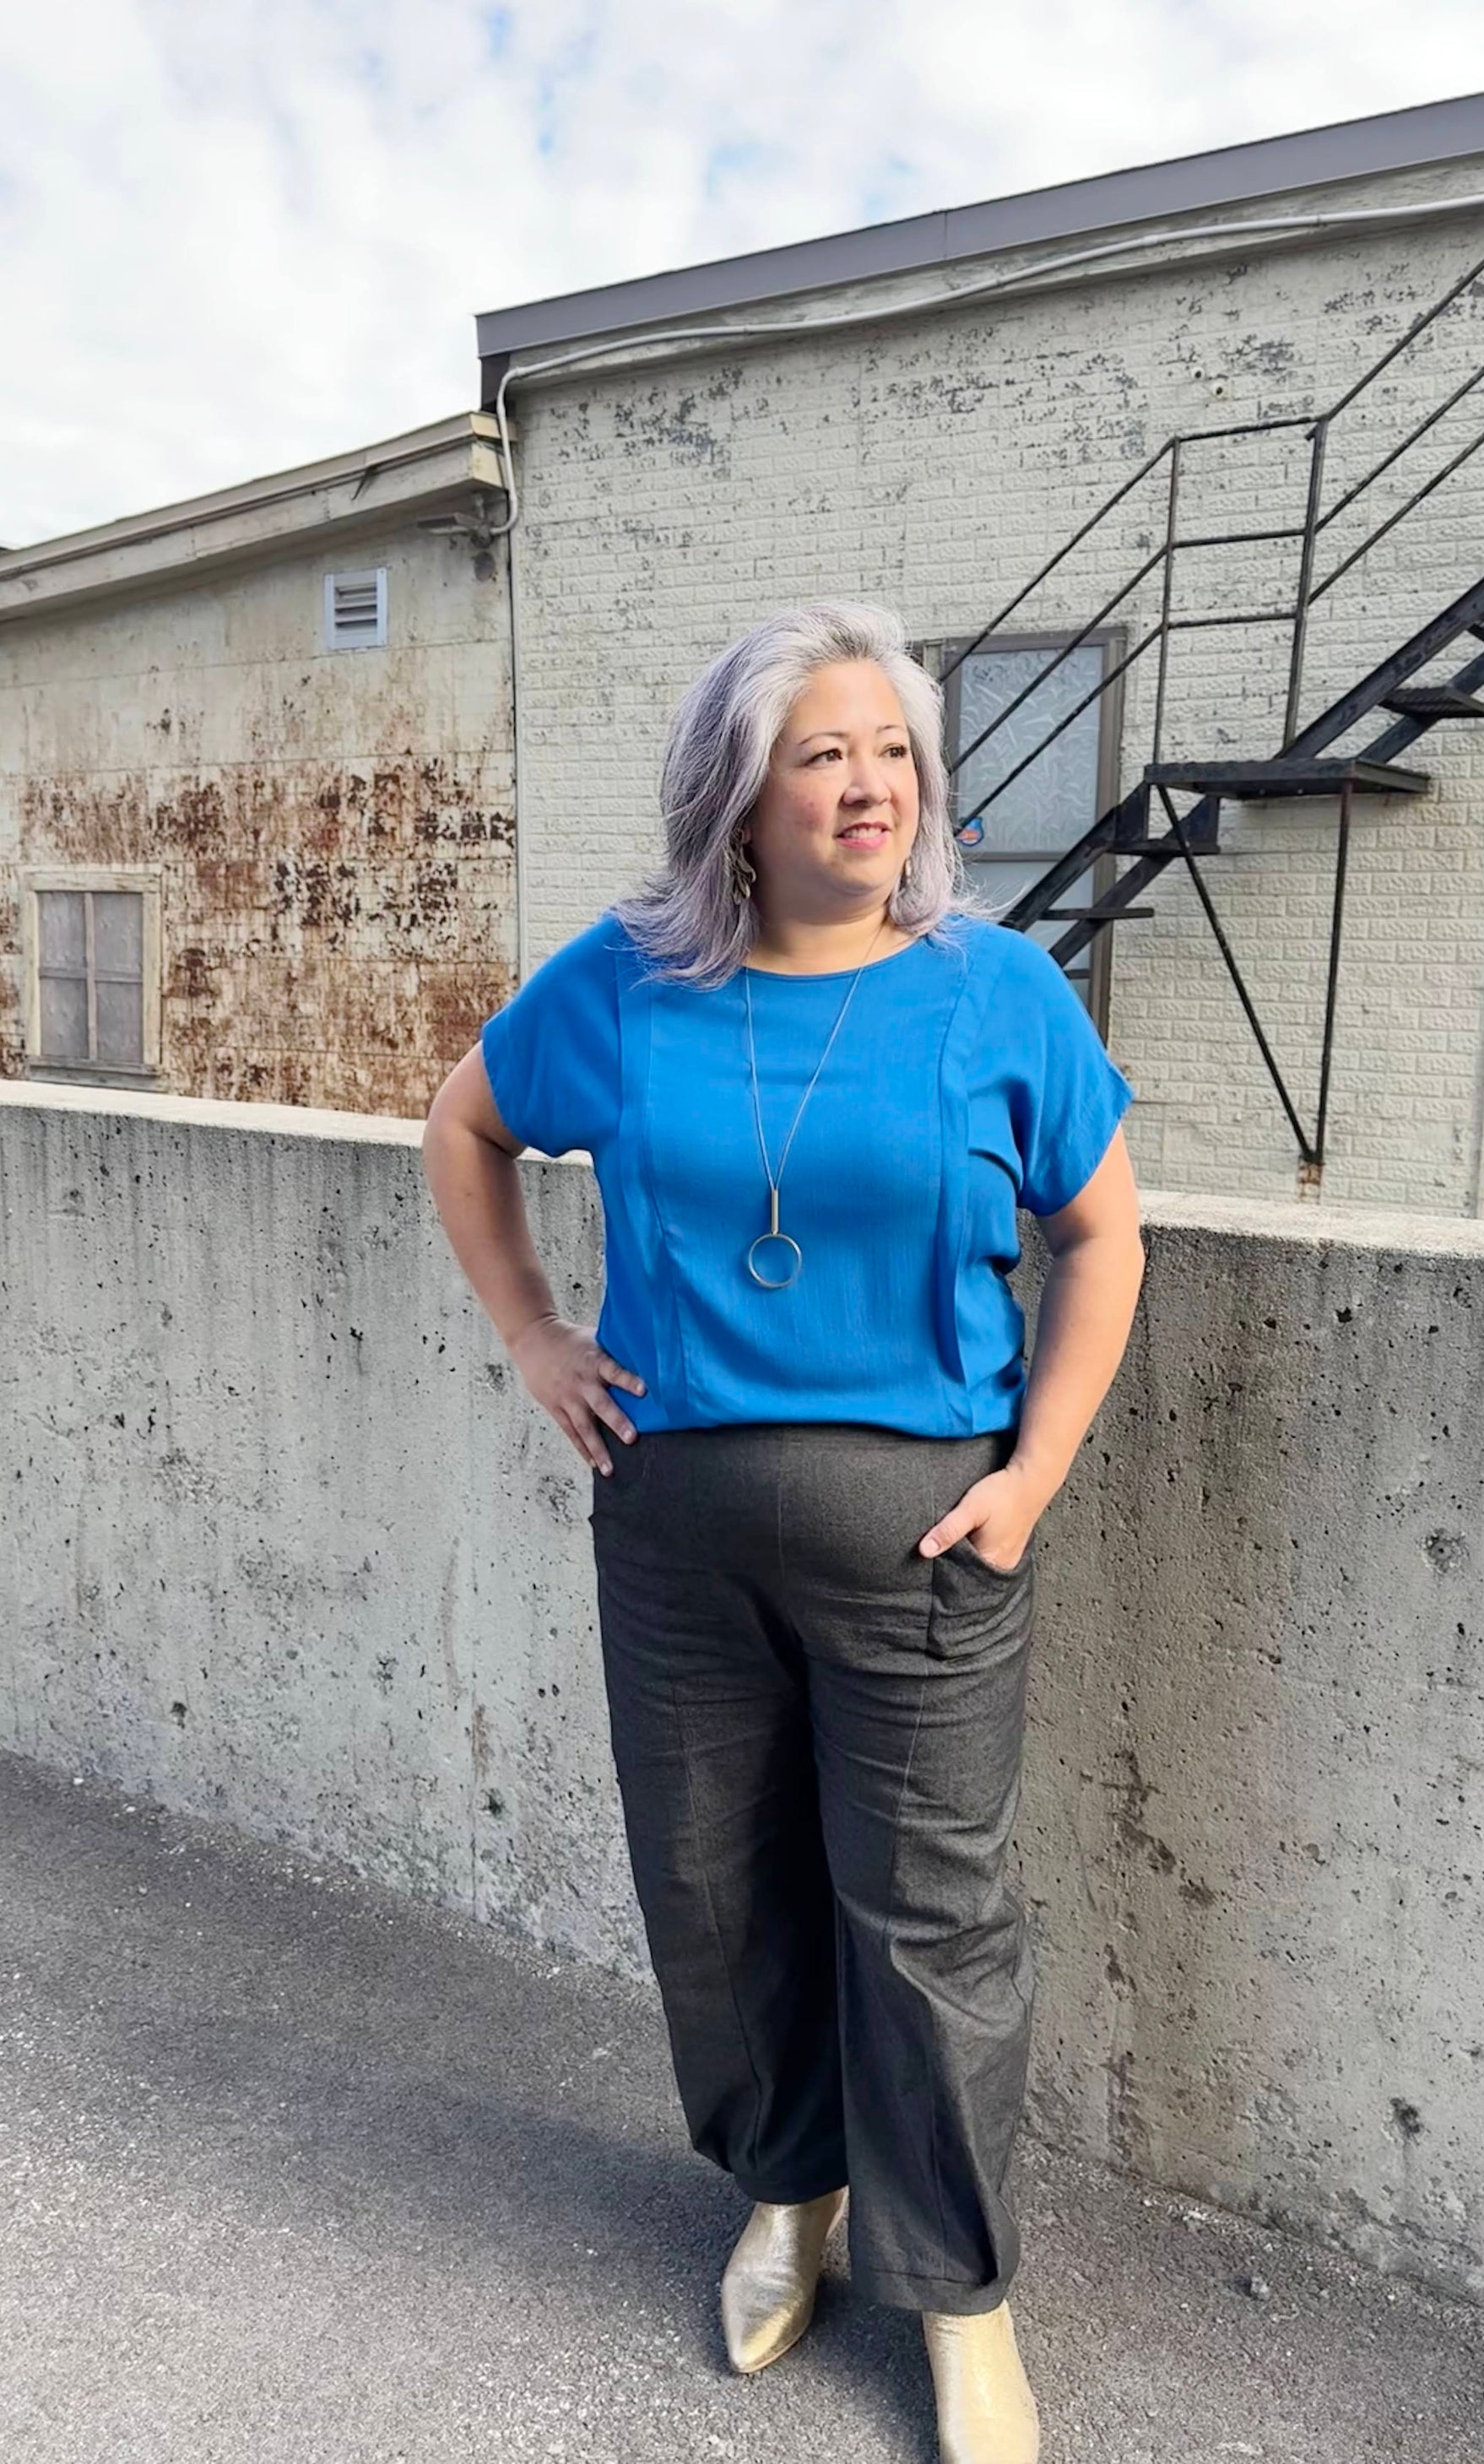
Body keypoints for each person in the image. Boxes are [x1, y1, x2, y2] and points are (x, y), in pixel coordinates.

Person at [421, 601, 1145, 2464]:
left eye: (891, 749)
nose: (867, 785)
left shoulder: (998, 989)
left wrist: (1036, 1466)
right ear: (736, 797)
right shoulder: (627, 983)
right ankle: (788, 2188)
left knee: (931, 1920)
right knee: (713, 1887)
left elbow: (1102, 1238)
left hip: (931, 1540)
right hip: (674, 1535)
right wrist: (531, 1334)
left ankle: (963, 2296)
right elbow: (465, 1123)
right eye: (822, 752)